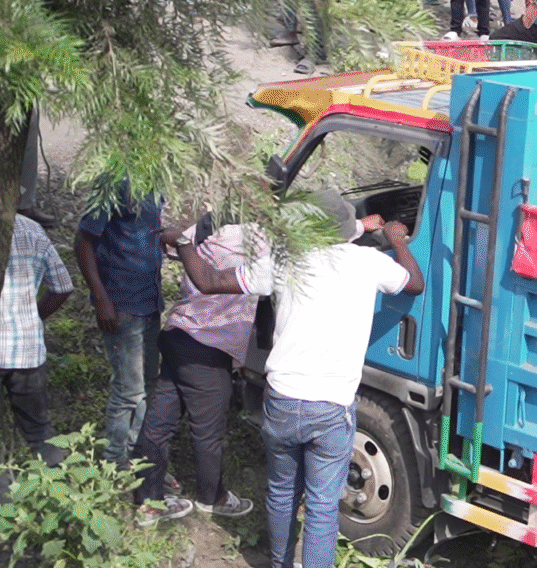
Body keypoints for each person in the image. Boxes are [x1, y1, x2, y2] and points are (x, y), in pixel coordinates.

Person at [163, 190, 425, 568]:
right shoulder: (369, 262)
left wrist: (183, 241)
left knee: (282, 493)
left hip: (282, 400)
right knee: (322, 507)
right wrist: (397, 241)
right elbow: (414, 283)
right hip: (331, 406)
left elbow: (207, 281)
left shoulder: (284, 261)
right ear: (346, 230)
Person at [132, 220, 258, 524]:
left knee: (158, 425)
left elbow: (169, 241)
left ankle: (148, 502)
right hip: (208, 346)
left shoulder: (202, 235)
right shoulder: (256, 241)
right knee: (208, 432)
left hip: (178, 335)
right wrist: (359, 226)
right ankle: (213, 497)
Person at [0, 214, 73, 511]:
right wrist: (32, 318)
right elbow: (63, 286)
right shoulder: (32, 229)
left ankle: (3, 506)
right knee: (39, 429)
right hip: (27, 350)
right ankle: (67, 501)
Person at [74, 182, 165, 464]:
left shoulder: (156, 179)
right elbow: (83, 240)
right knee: (128, 392)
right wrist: (101, 297)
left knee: (149, 385)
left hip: (150, 301)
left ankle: (138, 461)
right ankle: (114, 465)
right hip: (121, 302)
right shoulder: (115, 181)